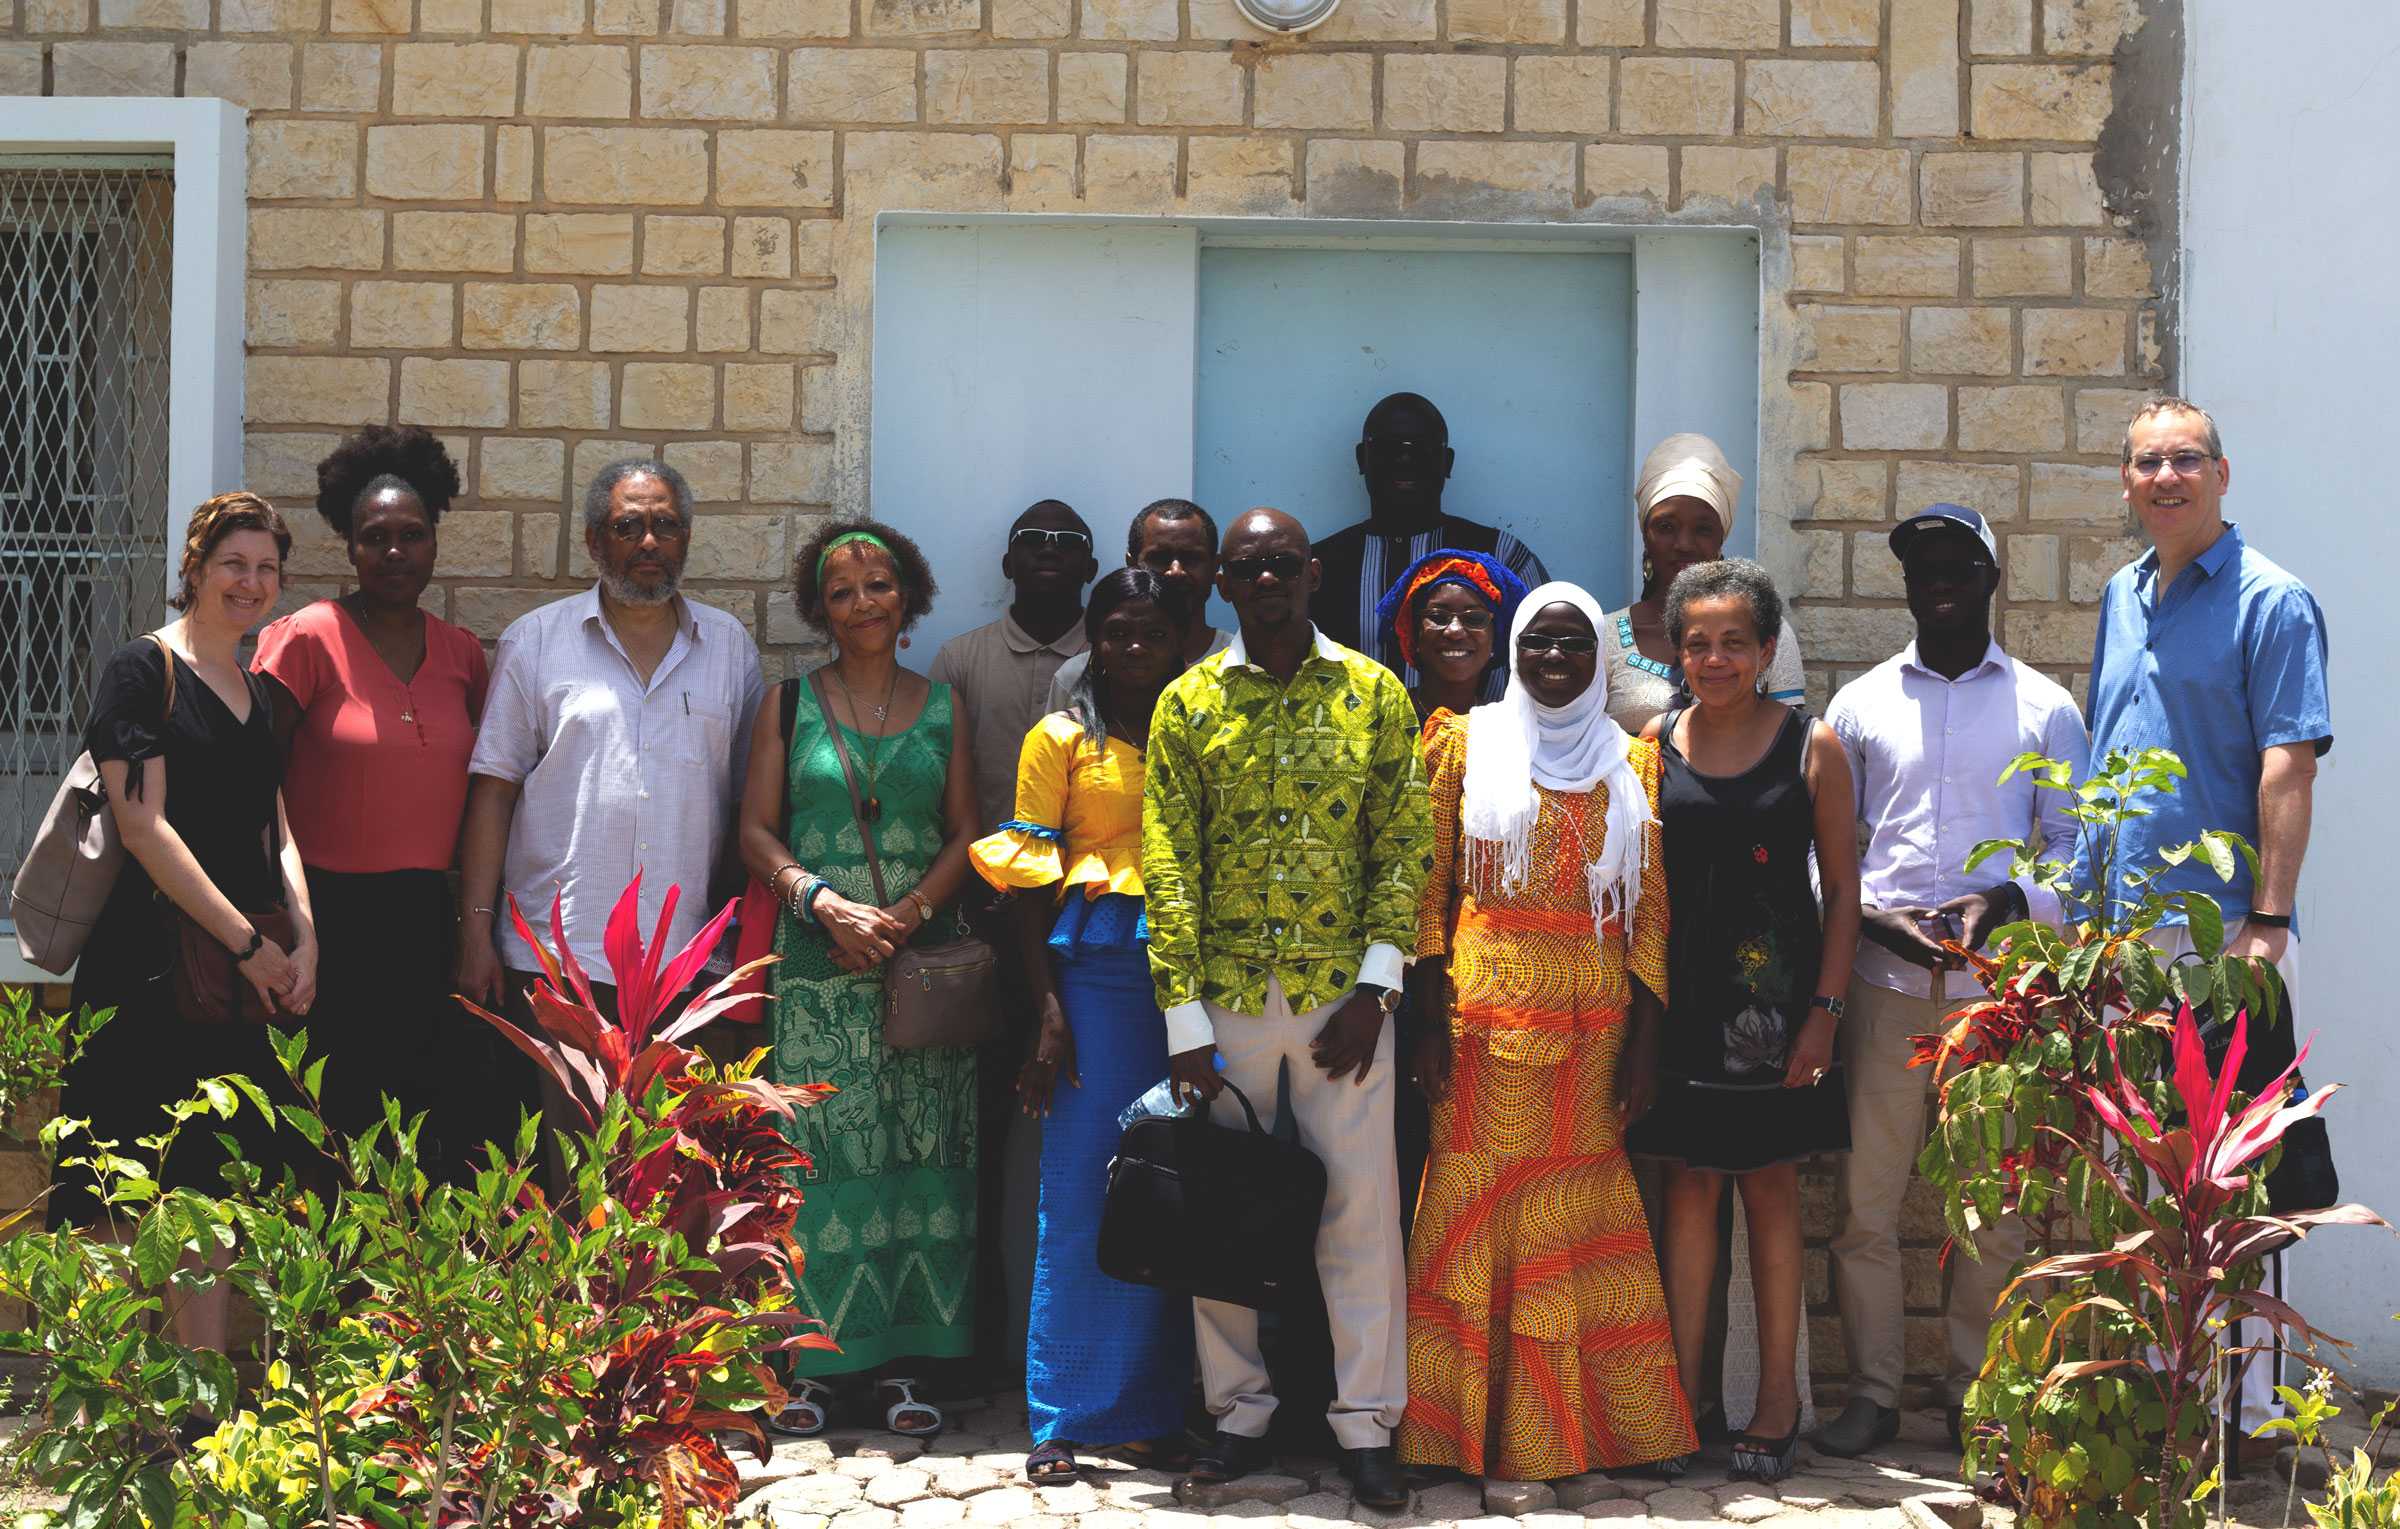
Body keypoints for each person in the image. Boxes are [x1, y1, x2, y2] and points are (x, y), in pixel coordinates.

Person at [1143, 507, 1433, 1511]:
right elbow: (1169, 860)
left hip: (1340, 1008)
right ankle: (1238, 1414)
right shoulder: (1187, 703)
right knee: (1219, 1214)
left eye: (1281, 564)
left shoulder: (1371, 692)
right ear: (1222, 584)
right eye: (1246, 567)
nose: (1266, 579)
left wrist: (1378, 987)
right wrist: (1183, 1021)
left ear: (1311, 573)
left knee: (1359, 1213)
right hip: (1223, 1002)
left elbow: (1403, 843)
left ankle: (1366, 1423)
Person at [1400, 582, 1696, 1482]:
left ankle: (1573, 1436)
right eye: (1540, 643)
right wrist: (1420, 1018)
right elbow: (1427, 888)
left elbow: (1649, 911)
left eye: (1574, 644)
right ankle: (1448, 1437)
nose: (1557, 659)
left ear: (1599, 658)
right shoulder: (1461, 741)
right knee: (1467, 1212)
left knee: (1568, 1226)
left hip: (1592, 1030)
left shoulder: (1632, 764)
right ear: (1515, 652)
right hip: (1480, 1028)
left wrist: (1648, 1040)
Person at [2084, 396, 2331, 1448]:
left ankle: (2253, 1409)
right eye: (2148, 462)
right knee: (2143, 1163)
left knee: (2233, 1171)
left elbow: (2289, 759)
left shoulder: (2273, 600)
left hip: (2216, 933)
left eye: (2187, 459)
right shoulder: (2121, 594)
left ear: (2222, 475)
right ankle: (2160, 1385)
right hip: (2122, 934)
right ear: (2128, 481)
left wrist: (2268, 919)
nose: (2167, 477)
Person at [1816, 506, 2088, 1457]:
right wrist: (1863, 918)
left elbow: (2077, 846)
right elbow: (1826, 846)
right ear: (1907, 583)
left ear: (1990, 578)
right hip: (1886, 986)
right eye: (1922, 564)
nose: (1938, 577)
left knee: (1995, 1209)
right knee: (1868, 1203)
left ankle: (1980, 1394)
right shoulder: (1857, 705)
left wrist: (2009, 903)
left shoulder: (2045, 707)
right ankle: (1875, 1393)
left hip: (1997, 1000)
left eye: (1957, 563)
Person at [48, 492, 316, 1357]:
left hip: (236, 984)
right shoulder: (144, 671)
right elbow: (143, 826)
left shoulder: (265, 694)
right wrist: (249, 944)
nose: (251, 582)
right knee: (120, 1193)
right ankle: (108, 1409)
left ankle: (199, 1410)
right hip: (149, 969)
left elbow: (276, 827)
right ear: (195, 569)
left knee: (210, 1188)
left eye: (267, 568)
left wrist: (305, 935)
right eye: (234, 563)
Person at [737, 520, 981, 1439]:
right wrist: (823, 902)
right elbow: (756, 829)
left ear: (908, 596)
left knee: (921, 1156)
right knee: (820, 1157)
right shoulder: (788, 704)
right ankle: (807, 1364)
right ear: (819, 611)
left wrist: (907, 914)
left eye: (879, 585)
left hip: (919, 970)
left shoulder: (946, 705)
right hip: (816, 967)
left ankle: (909, 1366)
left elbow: (968, 830)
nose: (863, 603)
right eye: (842, 592)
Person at [1625, 558, 1858, 1485]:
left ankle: (1774, 1403)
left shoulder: (1814, 746)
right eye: (1697, 643)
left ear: (1766, 650)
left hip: (1776, 1008)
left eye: (1733, 642)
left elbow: (1843, 892)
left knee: (1767, 1190)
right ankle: (1681, 1405)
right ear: (1676, 652)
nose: (1715, 658)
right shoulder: (1654, 740)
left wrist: (1825, 1015)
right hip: (1679, 1004)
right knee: (1687, 1190)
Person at [456, 459, 764, 1148]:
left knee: (667, 1167)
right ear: (595, 541)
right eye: (628, 526)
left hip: (686, 959)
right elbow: (493, 789)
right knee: (569, 1165)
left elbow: (749, 803)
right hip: (562, 957)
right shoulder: (536, 642)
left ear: (687, 538)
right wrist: (475, 928)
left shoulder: (731, 650)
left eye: (665, 525)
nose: (648, 542)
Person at [971, 568, 1197, 1482]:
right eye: (1116, 631)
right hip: (1096, 983)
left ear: (1180, 638)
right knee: (1083, 1189)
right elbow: (1029, 884)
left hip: (1188, 981)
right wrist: (1048, 1010)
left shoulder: (1198, 730)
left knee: (1172, 1190)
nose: (1132, 646)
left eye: (1151, 631)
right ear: (1092, 641)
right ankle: (1062, 1415)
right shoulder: (1059, 737)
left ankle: (1153, 1412)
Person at [252, 426, 490, 1175]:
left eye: (412, 536)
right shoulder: (307, 638)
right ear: (347, 547)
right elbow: (253, 784)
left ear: (435, 545)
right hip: (323, 923)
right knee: (325, 1133)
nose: (395, 552)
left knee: (417, 1133)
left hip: (424, 923)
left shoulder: (463, 655)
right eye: (375, 537)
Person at [927, 497, 1099, 1386]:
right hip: (982, 928)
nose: (1047, 555)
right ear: (1005, 557)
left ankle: (1067, 1337)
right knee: (987, 1131)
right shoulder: (961, 659)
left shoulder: (1114, 650)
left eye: (1066, 544)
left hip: (1093, 933)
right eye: (1031, 541)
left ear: (1091, 564)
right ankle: (984, 1341)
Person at [1311, 392, 1548, 695]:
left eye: (1420, 450)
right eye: (1388, 449)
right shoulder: (1318, 568)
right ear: (1362, 458)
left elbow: (1549, 657)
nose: (1404, 460)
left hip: (1479, 740)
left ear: (1446, 462)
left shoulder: (1503, 557)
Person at [1604, 434, 1805, 732]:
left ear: (1721, 538)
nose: (1684, 544)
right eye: (1666, 527)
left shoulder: (1765, 627)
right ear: (1646, 535)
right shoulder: (1605, 635)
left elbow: (1790, 741)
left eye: (1702, 529)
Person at [1047, 499, 1231, 710]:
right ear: (1132, 564)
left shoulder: (1241, 666)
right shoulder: (1075, 677)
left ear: (1215, 567)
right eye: (1160, 558)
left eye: (1191, 558)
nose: (1176, 571)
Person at [1371, 549, 1526, 727]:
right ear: (1414, 635)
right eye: (1437, 617)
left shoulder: (1508, 728)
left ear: (1495, 641)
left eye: (1474, 618)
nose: (1454, 631)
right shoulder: (1379, 723)